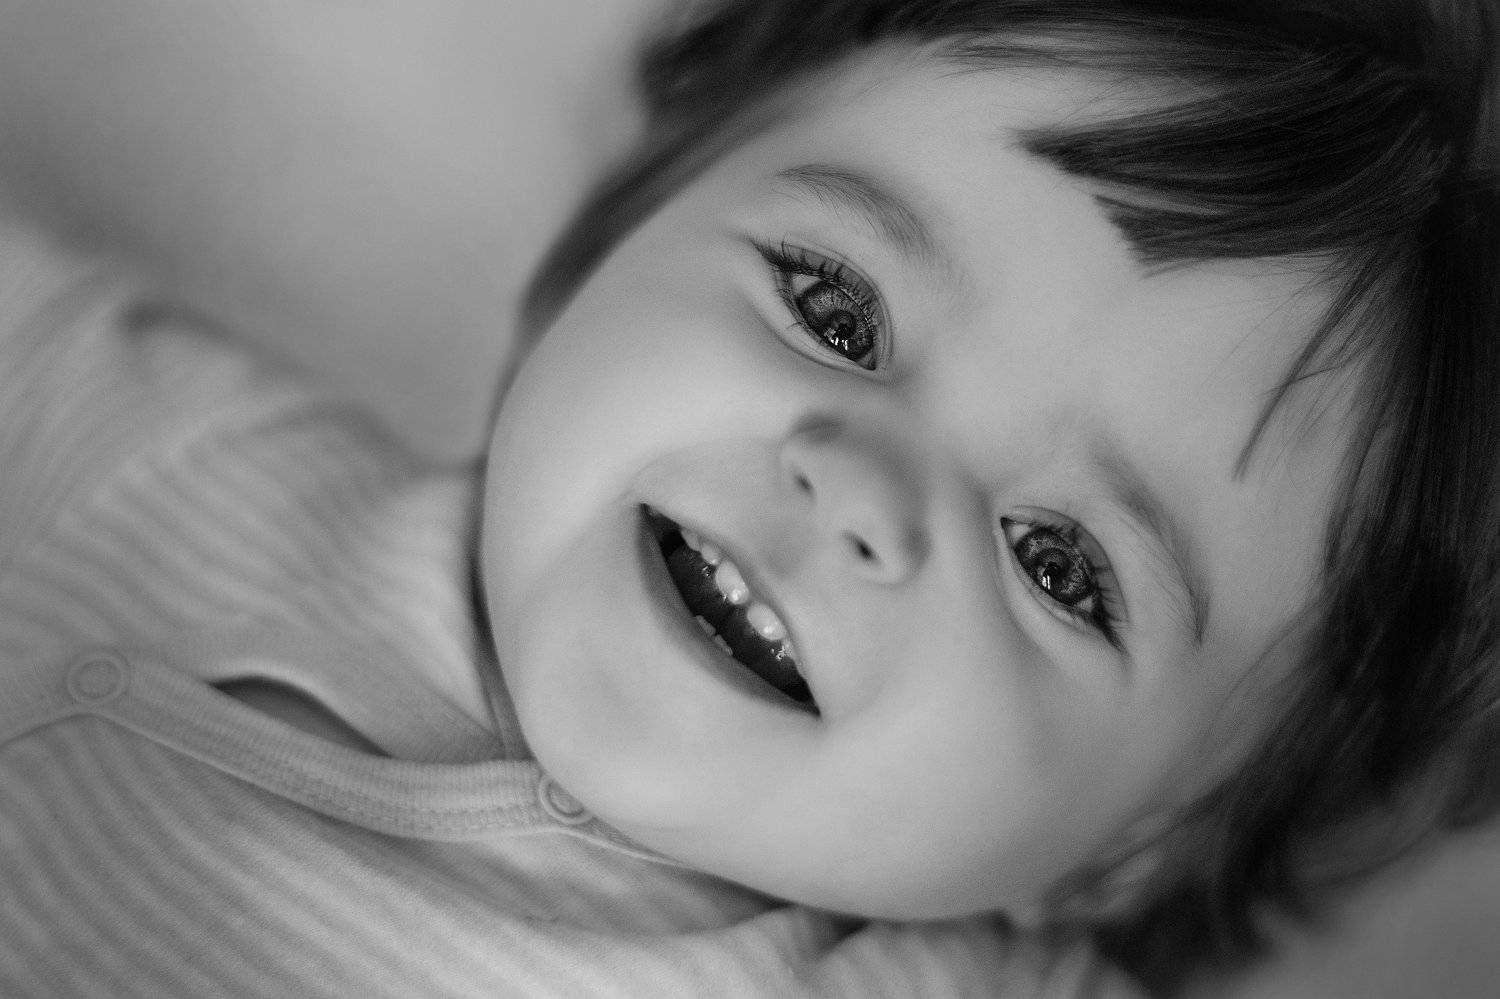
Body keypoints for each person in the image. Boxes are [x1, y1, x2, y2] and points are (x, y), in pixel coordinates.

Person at [0, 1, 1493, 996]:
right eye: (832, 308)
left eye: (1059, 564)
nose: (858, 483)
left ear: (1139, 847)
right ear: (613, 242)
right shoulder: (159, 456)